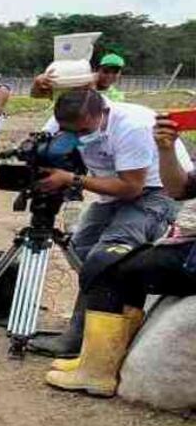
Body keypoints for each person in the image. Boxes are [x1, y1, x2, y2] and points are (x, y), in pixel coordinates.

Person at [45, 113, 194, 396]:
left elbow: (141, 188)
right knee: (123, 265)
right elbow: (179, 189)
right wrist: (165, 149)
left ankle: (96, 371)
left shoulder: (128, 125)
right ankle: (99, 358)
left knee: (108, 265)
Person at [26, 88, 181, 360]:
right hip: (112, 188)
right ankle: (108, 315)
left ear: (103, 114)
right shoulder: (67, 121)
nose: (77, 138)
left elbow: (132, 187)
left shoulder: (132, 126)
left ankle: (80, 341)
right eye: (70, 132)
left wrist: (71, 179)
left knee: (107, 256)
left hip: (156, 190)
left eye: (84, 131)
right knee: (80, 249)